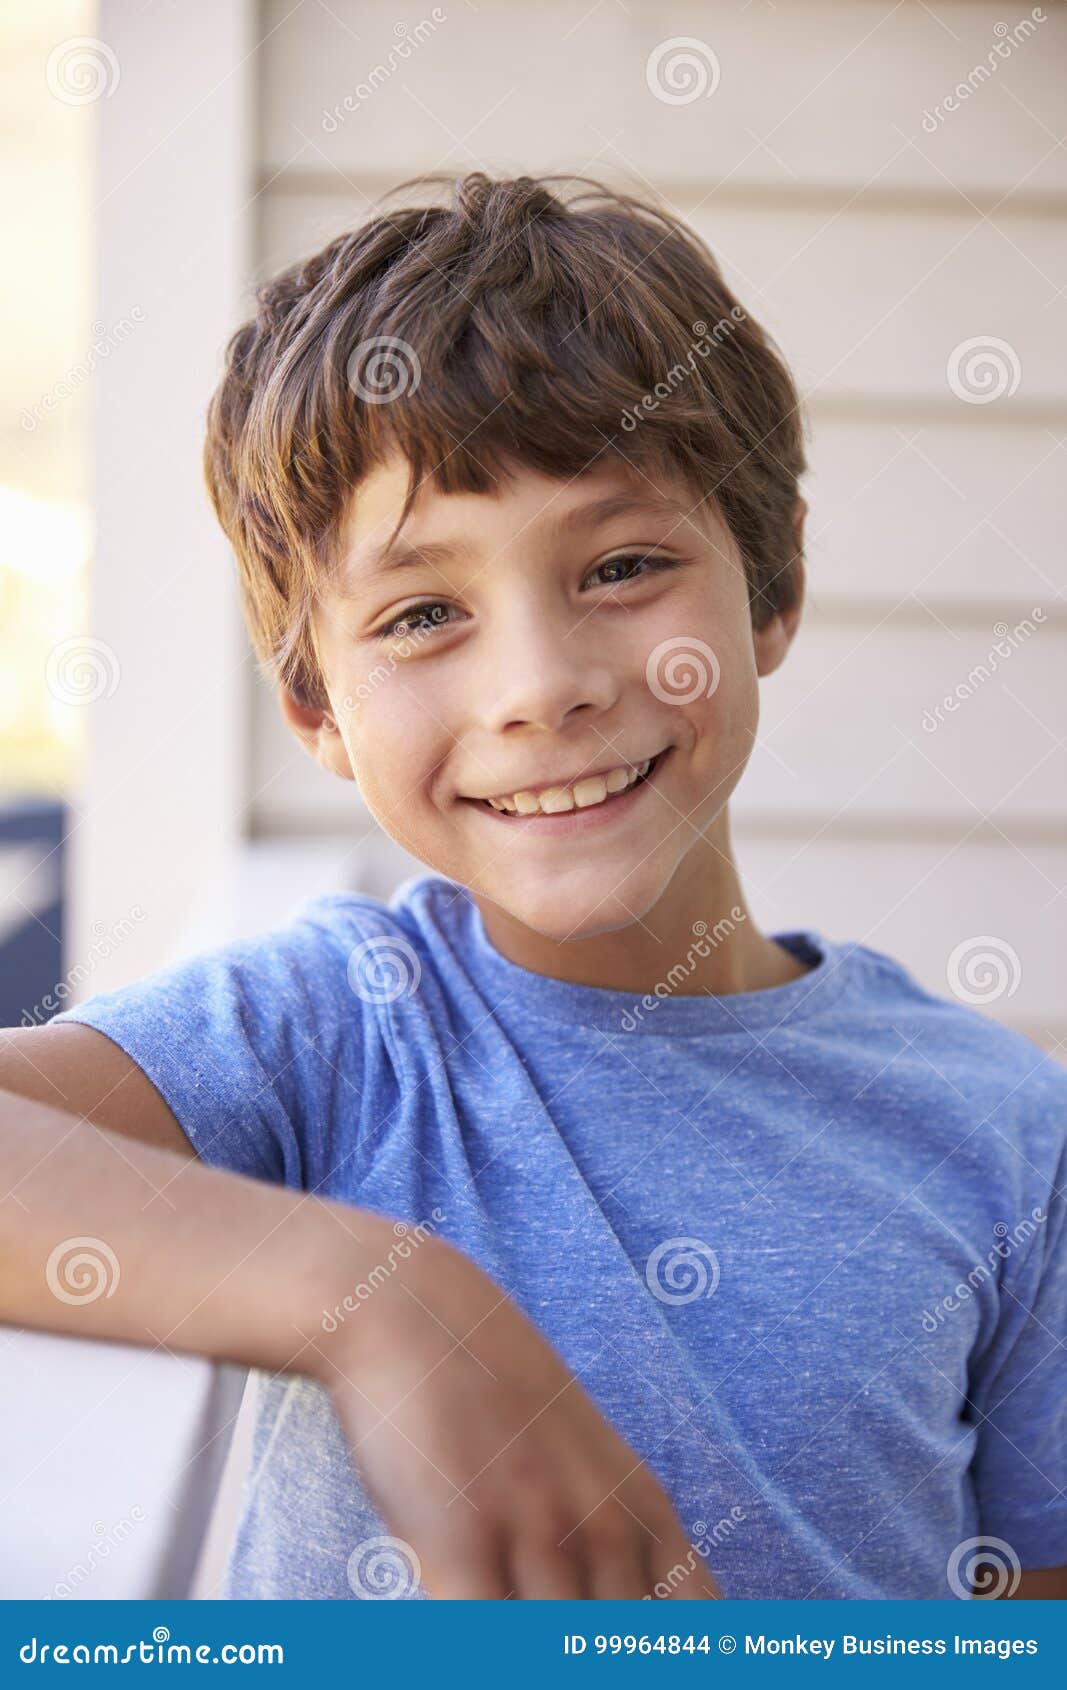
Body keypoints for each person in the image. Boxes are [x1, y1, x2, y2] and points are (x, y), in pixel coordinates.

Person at [3, 172, 1065, 1601]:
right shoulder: (334, 1031)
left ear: (773, 580)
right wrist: (374, 1299)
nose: (541, 689)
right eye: (424, 611)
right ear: (317, 706)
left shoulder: (1006, 1134)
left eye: (623, 566)